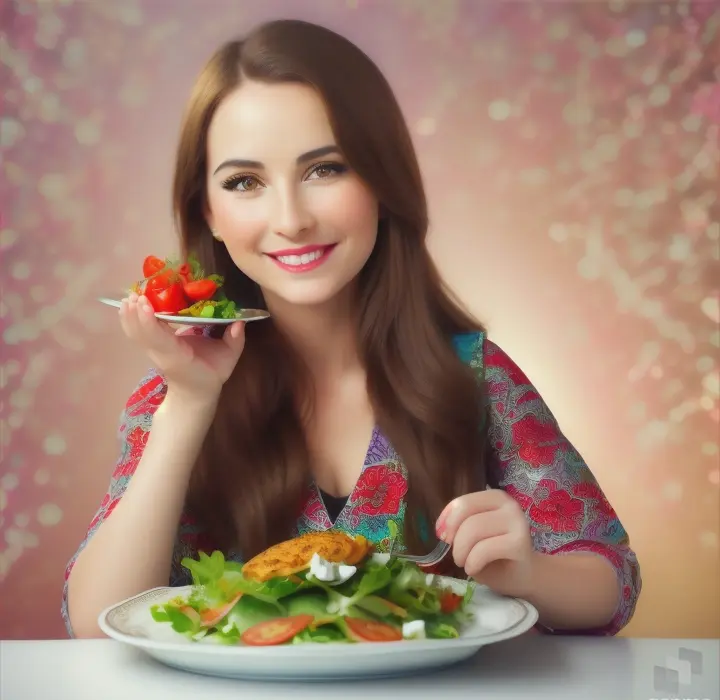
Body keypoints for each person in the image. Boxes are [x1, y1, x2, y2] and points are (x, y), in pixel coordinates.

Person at [63, 19, 641, 639]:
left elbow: (613, 583)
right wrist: (189, 404)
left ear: (382, 182)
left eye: (325, 169)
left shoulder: (471, 375)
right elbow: (93, 626)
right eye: (244, 183)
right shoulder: (172, 396)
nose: (290, 219)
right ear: (209, 210)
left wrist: (527, 574)